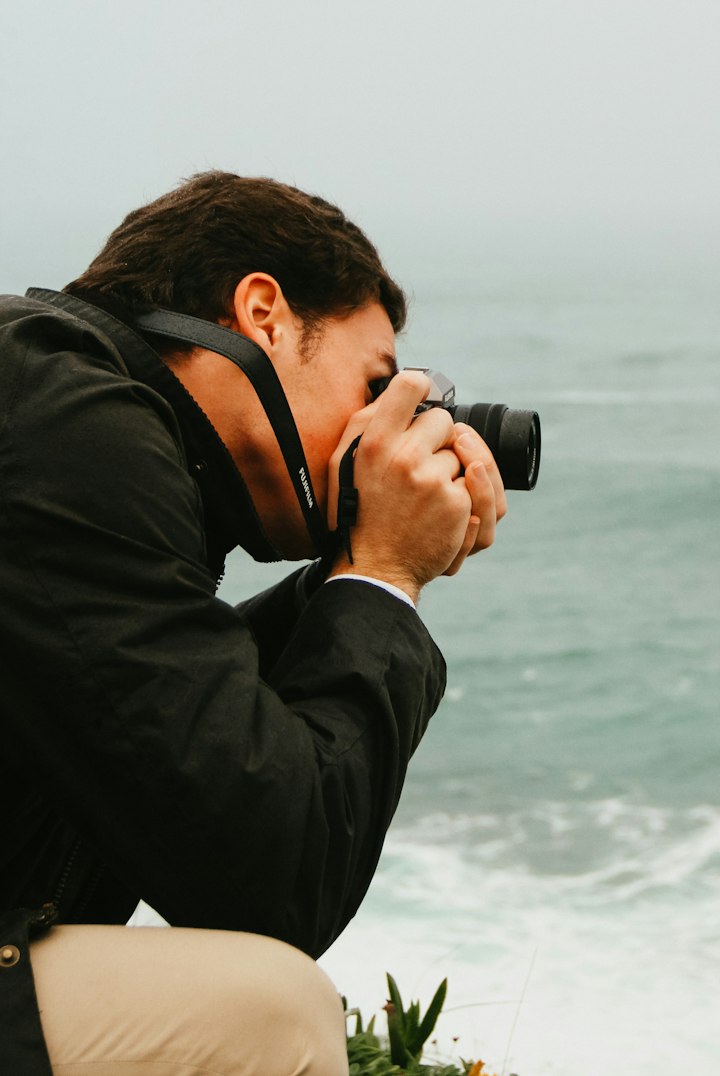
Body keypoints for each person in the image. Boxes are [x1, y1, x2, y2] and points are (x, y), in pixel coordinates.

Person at [0, 172, 507, 1076]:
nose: (385, 427)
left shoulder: (57, 404)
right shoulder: (68, 422)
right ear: (264, 314)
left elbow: (172, 716)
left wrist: (350, 577)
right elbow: (273, 881)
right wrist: (382, 576)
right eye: (374, 384)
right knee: (267, 1014)